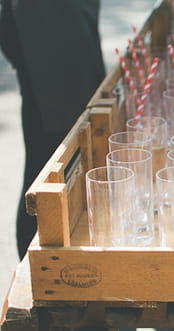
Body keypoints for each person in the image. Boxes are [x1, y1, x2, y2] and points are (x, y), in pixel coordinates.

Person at [0, 0, 105, 258]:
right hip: (48, 29)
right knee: (50, 165)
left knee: (74, 150)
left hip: (67, 26)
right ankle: (36, 269)